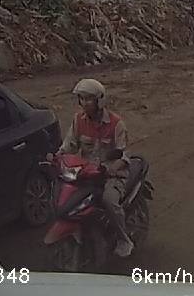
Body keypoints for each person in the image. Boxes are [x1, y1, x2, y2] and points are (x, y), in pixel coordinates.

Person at [54, 78, 134, 257]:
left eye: (89, 99)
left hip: (112, 176)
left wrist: (112, 168)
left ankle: (124, 239)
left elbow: (124, 154)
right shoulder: (78, 120)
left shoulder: (116, 124)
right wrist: (56, 157)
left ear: (100, 100)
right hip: (87, 174)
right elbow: (69, 145)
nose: (84, 103)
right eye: (81, 98)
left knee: (109, 200)